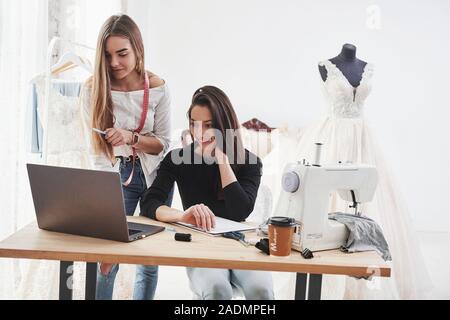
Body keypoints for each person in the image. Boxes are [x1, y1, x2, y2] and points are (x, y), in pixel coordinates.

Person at [140, 86, 274, 300]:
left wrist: (222, 157)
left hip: (240, 244)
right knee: (217, 289)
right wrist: (181, 216)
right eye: (194, 124)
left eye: (209, 125)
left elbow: (239, 211)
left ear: (224, 126)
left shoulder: (250, 162)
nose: (199, 133)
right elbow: (149, 203)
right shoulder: (177, 158)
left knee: (261, 290)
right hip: (201, 243)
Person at [80, 14, 172, 300]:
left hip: (156, 177)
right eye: (107, 55)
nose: (114, 63)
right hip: (116, 177)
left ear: (138, 49)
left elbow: (163, 145)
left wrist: (131, 138)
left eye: (122, 53)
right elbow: (95, 151)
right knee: (107, 258)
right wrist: (102, 192)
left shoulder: (158, 87)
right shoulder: (92, 89)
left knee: (149, 260)